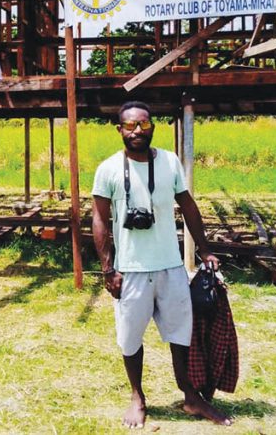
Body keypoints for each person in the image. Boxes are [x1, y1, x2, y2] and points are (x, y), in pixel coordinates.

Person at [91, 101, 233, 428]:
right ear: (119, 130)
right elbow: (99, 218)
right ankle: (138, 397)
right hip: (131, 270)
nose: (137, 131)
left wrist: (205, 250)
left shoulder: (169, 161)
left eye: (143, 124)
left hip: (170, 266)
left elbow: (188, 206)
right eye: (130, 126)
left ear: (153, 126)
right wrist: (108, 269)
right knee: (130, 338)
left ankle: (191, 396)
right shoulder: (109, 169)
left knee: (180, 333)